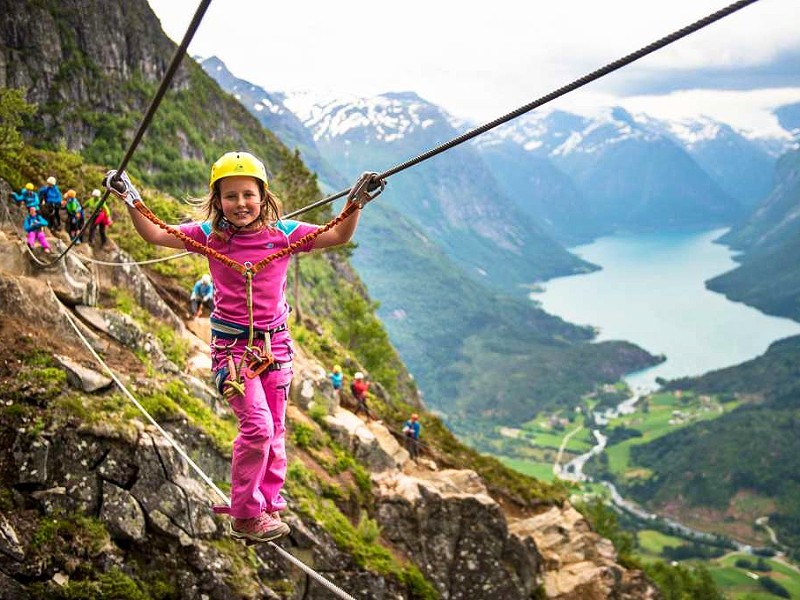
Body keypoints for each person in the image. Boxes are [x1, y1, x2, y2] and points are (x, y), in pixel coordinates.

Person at [103, 151, 383, 544]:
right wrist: (130, 199)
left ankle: (266, 503)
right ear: (218, 201)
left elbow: (338, 234)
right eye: (230, 196)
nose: (240, 204)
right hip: (232, 351)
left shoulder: (284, 234)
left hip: (276, 346)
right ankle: (246, 514)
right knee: (258, 427)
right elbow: (156, 233)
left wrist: (355, 204)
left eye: (247, 194)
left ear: (262, 196)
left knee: (277, 430)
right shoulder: (209, 238)